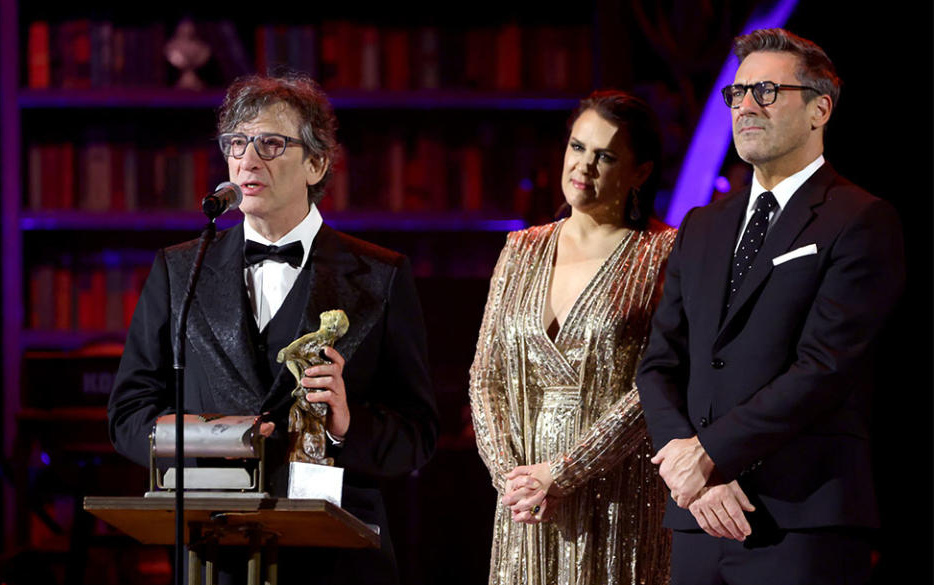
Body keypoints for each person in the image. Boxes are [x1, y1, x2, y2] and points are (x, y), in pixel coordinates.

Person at [107, 73, 438, 584]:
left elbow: (417, 434)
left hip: (338, 560)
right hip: (211, 554)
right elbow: (129, 414)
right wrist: (205, 438)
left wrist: (348, 424)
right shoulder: (178, 271)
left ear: (316, 163)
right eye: (236, 143)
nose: (246, 159)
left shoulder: (379, 275)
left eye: (270, 143)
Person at [636, 28, 905, 585]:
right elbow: (659, 363)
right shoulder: (701, 226)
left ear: (819, 109)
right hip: (698, 518)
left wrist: (710, 453)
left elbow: (824, 368)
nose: (745, 106)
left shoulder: (860, 220)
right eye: (737, 94)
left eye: (766, 90)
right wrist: (692, 471)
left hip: (800, 519)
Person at [469, 90, 675, 585]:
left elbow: (660, 381)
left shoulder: (663, 253)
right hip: (524, 504)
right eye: (577, 148)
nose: (584, 165)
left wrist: (563, 473)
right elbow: (485, 376)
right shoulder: (520, 248)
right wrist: (512, 482)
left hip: (618, 494)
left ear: (639, 173)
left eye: (605, 155)